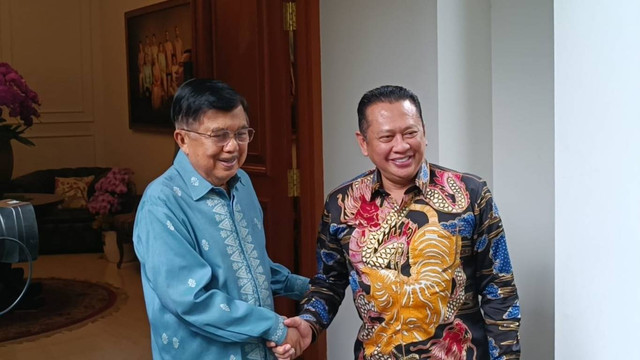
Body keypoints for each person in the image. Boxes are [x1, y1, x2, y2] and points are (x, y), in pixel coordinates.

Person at [271, 85, 521, 359]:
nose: (401, 146)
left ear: (424, 132)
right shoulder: (342, 204)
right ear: (363, 142)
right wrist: (309, 323)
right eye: (387, 137)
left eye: (410, 133)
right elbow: (328, 283)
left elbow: (500, 290)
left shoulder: (470, 193)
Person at [133, 79, 311, 359]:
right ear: (183, 140)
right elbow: (192, 300)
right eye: (219, 136)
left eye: (242, 134)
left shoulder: (242, 184)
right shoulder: (161, 204)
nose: (232, 147)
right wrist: (276, 327)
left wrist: (305, 287)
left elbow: (249, 267)